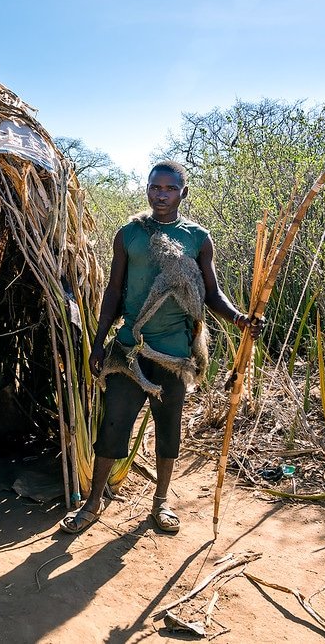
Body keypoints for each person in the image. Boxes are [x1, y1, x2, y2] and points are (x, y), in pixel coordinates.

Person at [59, 160, 262, 534]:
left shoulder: (197, 238)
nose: (161, 194)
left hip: (174, 355)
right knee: (114, 424)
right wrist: (100, 340)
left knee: (168, 427)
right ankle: (93, 503)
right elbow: (115, 291)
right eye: (155, 187)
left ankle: (161, 503)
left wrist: (239, 319)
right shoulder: (130, 235)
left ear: (183, 193)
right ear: (147, 189)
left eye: (170, 188)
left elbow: (211, 294)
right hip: (129, 350)